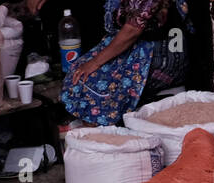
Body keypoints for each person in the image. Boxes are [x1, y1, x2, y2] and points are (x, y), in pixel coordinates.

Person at [52, 0, 191, 128]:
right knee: (78, 71)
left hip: (158, 53)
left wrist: (95, 62)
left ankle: (98, 137)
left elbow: (133, 30)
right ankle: (92, 129)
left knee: (93, 83)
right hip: (135, 45)